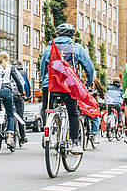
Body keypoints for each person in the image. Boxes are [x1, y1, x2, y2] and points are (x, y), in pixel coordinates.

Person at [39, 23, 94, 155]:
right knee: (73, 112)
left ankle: (48, 130)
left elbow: (42, 66)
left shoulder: (49, 48)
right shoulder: (77, 48)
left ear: (57, 34)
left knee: (47, 109)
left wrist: (43, 81)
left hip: (50, 84)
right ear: (72, 36)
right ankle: (75, 142)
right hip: (69, 85)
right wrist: (89, 82)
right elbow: (89, 68)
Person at [0, 51, 26, 147]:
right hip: (6, 91)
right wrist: (21, 92)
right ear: (7, 58)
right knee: (10, 115)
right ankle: (9, 137)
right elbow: (18, 81)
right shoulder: (10, 67)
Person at [12, 60, 30, 145]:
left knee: (10, 115)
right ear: (20, 65)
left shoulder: (9, 69)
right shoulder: (23, 72)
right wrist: (27, 95)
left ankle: (8, 132)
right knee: (20, 116)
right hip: (19, 95)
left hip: (10, 95)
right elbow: (26, 84)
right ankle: (23, 137)